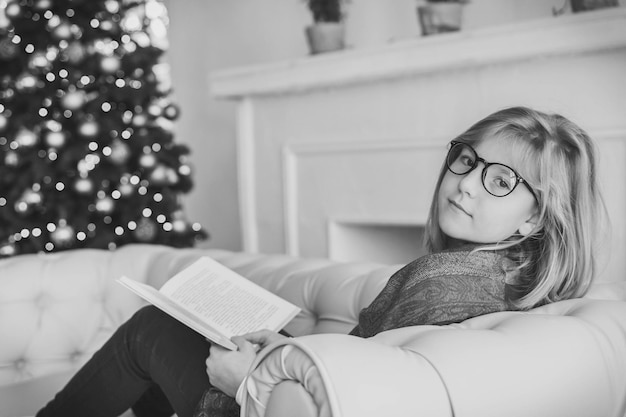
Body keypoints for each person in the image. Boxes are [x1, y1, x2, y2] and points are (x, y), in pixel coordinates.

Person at [36, 106, 606, 417]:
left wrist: (248, 378)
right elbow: (369, 367)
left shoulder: (441, 283)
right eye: (466, 159)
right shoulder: (516, 283)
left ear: (535, 218)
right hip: (290, 386)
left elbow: (351, 397)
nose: (467, 185)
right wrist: (281, 347)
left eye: (501, 179)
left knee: (151, 328)